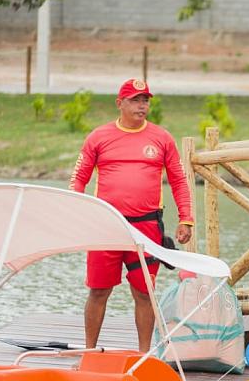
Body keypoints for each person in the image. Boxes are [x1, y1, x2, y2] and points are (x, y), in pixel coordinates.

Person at [69, 78, 193, 352]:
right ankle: (89, 351)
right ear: (120, 103)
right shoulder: (98, 137)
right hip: (106, 226)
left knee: (144, 292)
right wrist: (77, 213)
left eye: (145, 100)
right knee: (99, 291)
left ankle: (144, 354)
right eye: (135, 100)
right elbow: (78, 178)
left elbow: (179, 180)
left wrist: (186, 218)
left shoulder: (162, 138)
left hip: (146, 227)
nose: (141, 105)